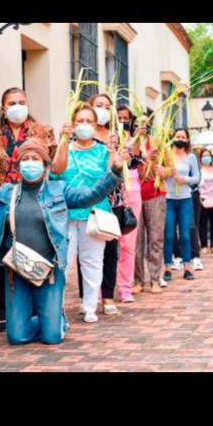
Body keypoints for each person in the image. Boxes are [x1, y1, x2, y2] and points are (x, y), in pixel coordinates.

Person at [0, 138, 123, 345]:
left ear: (45, 165)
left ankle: (53, 320)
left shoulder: (59, 190)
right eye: (25, 159)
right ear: (18, 167)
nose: (30, 162)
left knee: (52, 337)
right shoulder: (6, 193)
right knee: (17, 337)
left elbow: (90, 196)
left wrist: (114, 172)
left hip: (50, 272)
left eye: (35, 158)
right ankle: (41, 318)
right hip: (16, 272)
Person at [0, 88, 72, 333]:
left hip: (35, 198)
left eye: (21, 102)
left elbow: (59, 166)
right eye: (12, 103)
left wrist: (65, 141)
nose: (17, 106)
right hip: (4, 201)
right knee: (5, 254)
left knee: (36, 252)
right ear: (3, 108)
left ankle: (42, 311)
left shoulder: (43, 131)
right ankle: (7, 314)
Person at [57, 104, 122, 323]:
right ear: (73, 124)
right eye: (80, 121)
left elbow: (113, 176)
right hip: (65, 212)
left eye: (89, 122)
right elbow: (55, 171)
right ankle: (55, 305)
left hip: (95, 214)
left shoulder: (103, 151)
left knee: (92, 261)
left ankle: (90, 306)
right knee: (63, 261)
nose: (84, 125)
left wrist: (113, 151)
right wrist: (62, 139)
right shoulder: (65, 147)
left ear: (96, 126)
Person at [82, 94, 132, 314]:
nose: (103, 110)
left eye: (106, 107)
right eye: (98, 106)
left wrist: (115, 151)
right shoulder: (83, 135)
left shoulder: (115, 136)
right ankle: (88, 297)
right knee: (86, 250)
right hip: (90, 198)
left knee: (111, 250)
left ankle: (108, 297)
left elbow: (119, 168)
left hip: (114, 199)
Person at [134, 118, 173, 293]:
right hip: (134, 196)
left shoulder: (159, 143)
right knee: (135, 240)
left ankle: (155, 279)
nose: (141, 127)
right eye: (137, 125)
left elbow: (171, 168)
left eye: (144, 124)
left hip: (156, 195)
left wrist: (161, 171)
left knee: (155, 238)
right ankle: (138, 280)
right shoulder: (129, 144)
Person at [114, 105, 147, 303]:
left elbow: (136, 158)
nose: (122, 121)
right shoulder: (109, 139)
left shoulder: (134, 141)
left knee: (128, 243)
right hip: (112, 192)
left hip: (132, 192)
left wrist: (137, 136)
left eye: (126, 118)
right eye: (119, 117)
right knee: (109, 243)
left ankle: (125, 287)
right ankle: (105, 287)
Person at [163, 129, 201, 282]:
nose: (180, 139)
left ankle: (187, 267)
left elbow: (197, 178)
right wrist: (167, 172)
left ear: (187, 140)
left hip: (185, 199)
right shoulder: (166, 155)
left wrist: (184, 179)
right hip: (168, 199)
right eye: (177, 136)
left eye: (183, 137)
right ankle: (167, 267)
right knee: (169, 235)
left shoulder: (191, 157)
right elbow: (158, 172)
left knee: (185, 234)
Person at [198, 148, 213, 254]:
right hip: (202, 197)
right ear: (201, 158)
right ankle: (203, 245)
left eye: (208, 155)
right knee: (202, 222)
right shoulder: (199, 170)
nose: (206, 158)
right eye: (204, 156)